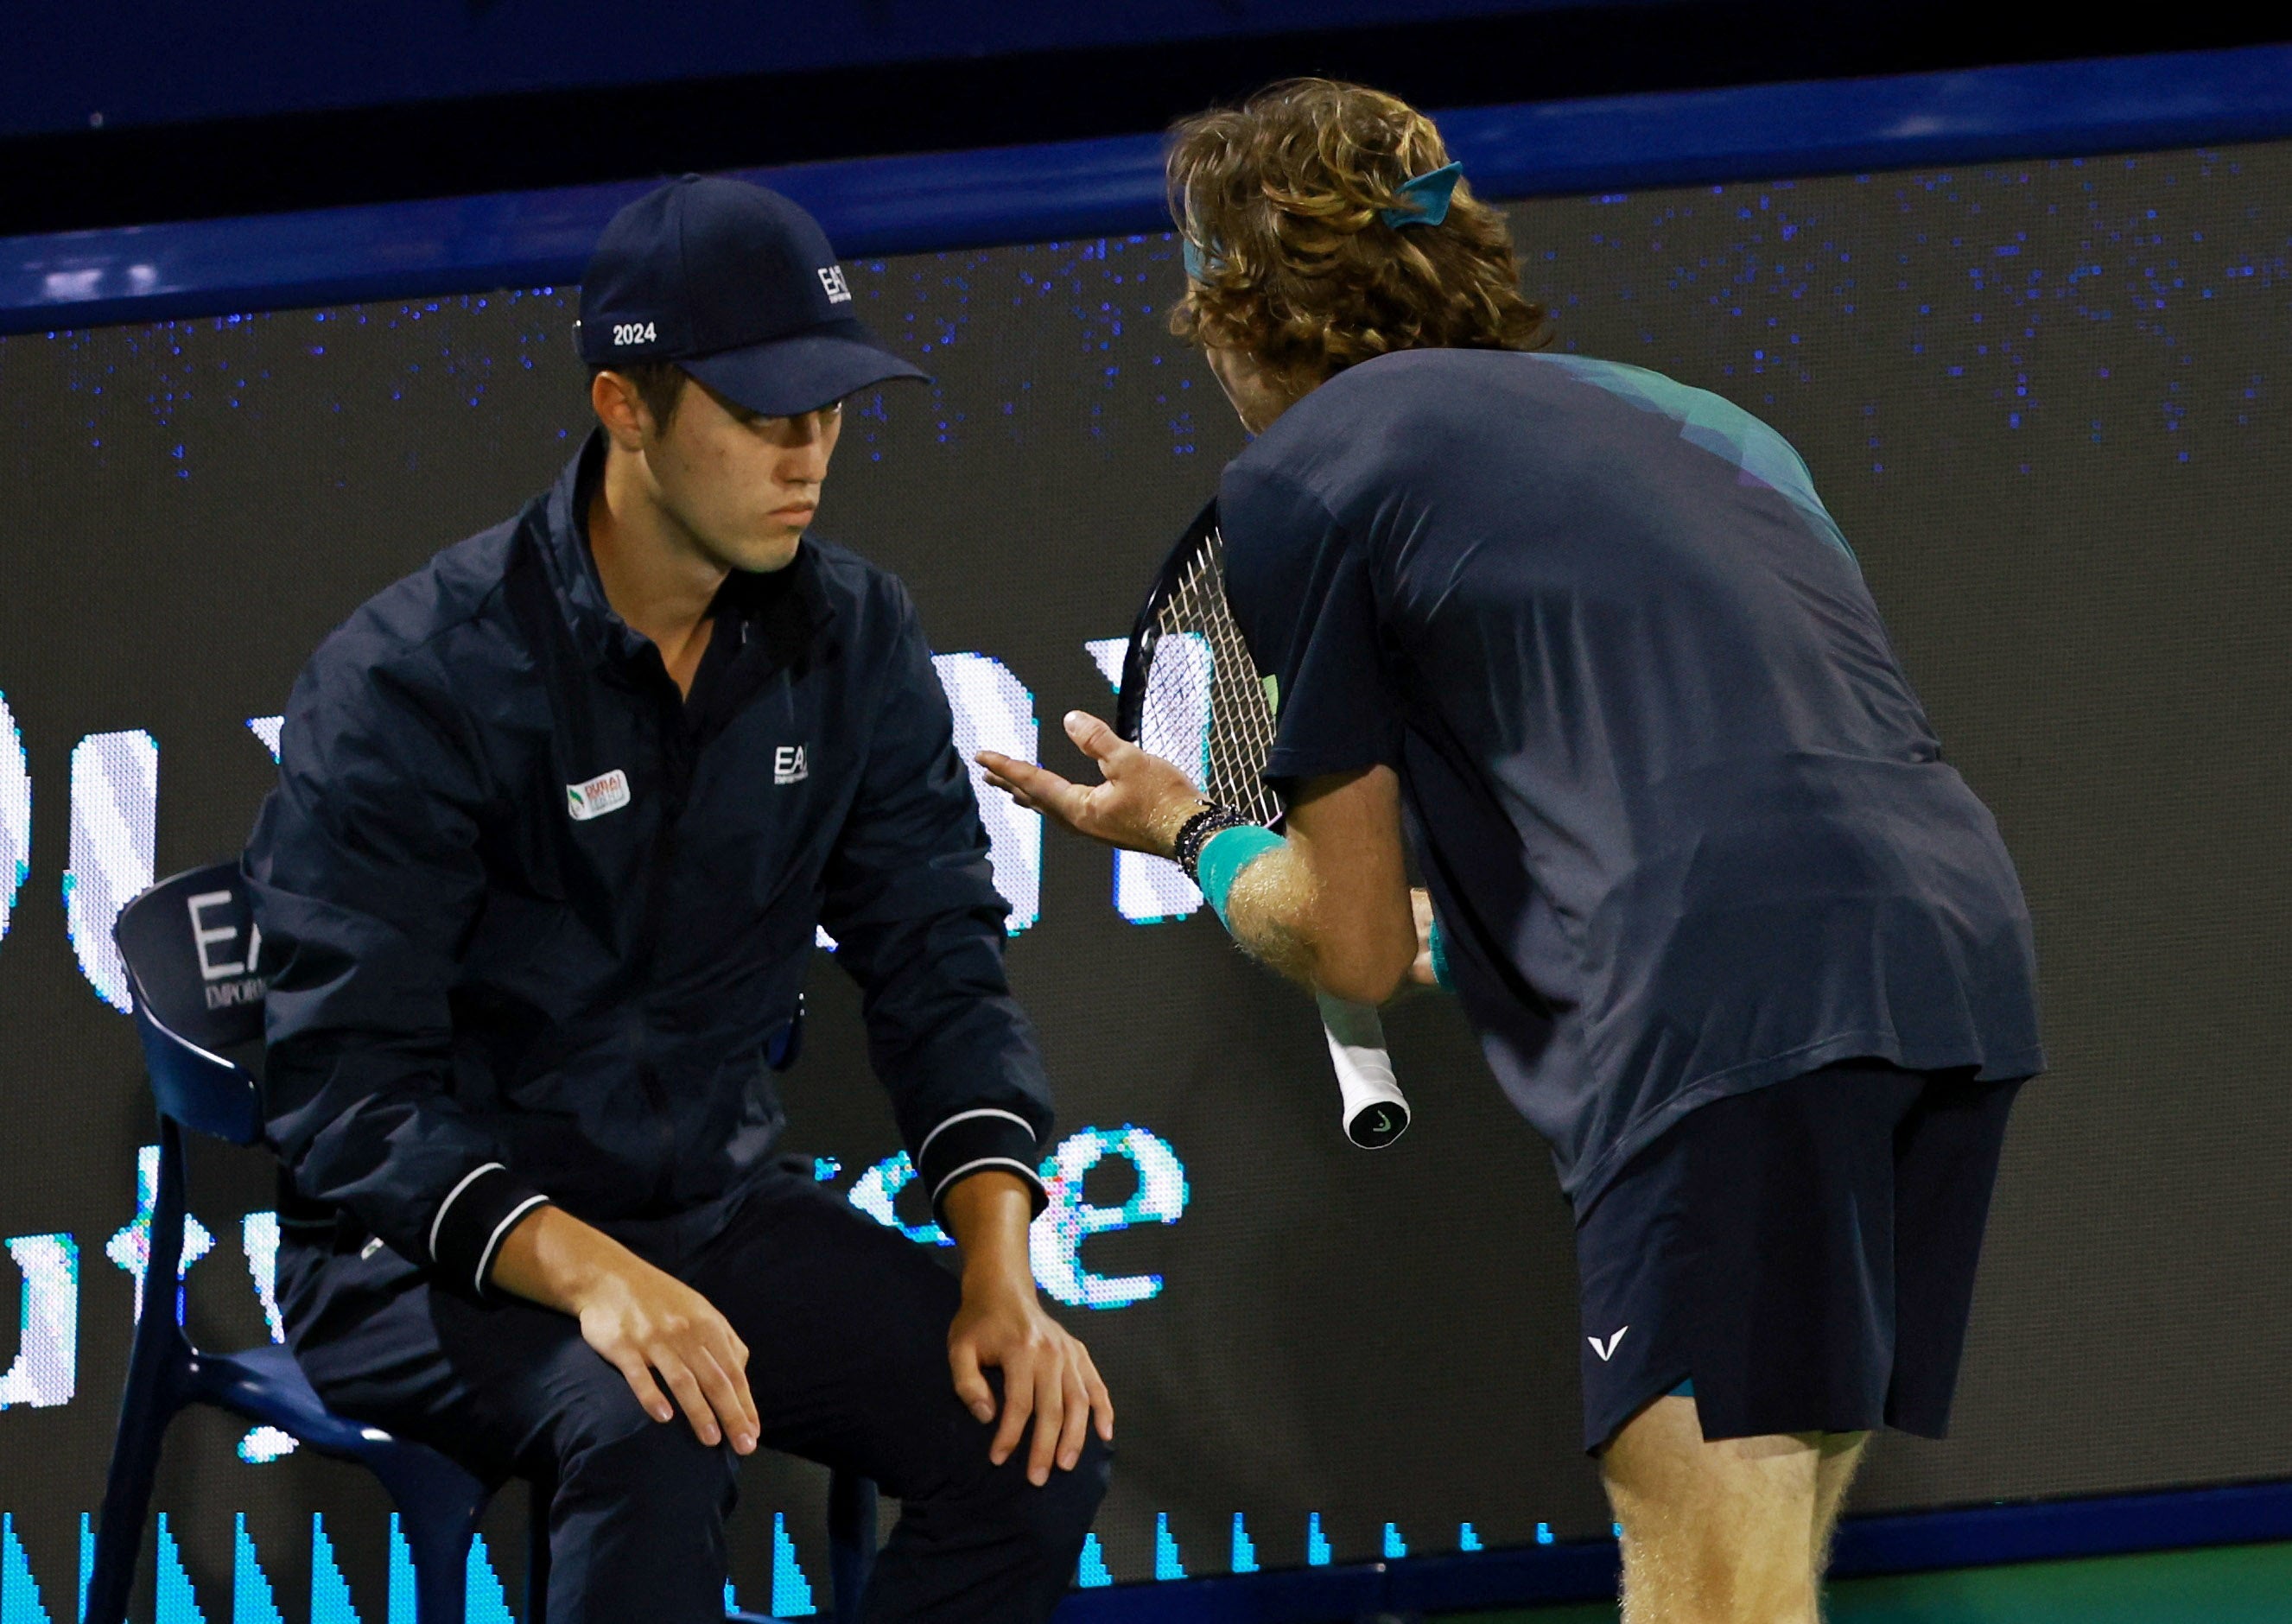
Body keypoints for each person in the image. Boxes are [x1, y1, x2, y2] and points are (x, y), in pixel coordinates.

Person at [981, 80, 2042, 1624]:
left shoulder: (1304, 474)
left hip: (1720, 1008)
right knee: (1761, 1559)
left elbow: (1348, 946)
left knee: (1707, 1580)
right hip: (1950, 967)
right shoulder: (1704, 422)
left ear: (1231, 309)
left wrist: (1188, 832)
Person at [245, 175, 1112, 1624]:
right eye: (764, 415)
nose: (808, 454)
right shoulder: (416, 677)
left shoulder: (852, 635)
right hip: (422, 1262)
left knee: (1031, 1437)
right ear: (625, 407)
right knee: (656, 1420)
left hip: (708, 1216)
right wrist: (587, 1276)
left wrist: (999, 1269)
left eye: (829, 411)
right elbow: (347, 1096)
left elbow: (936, 962)